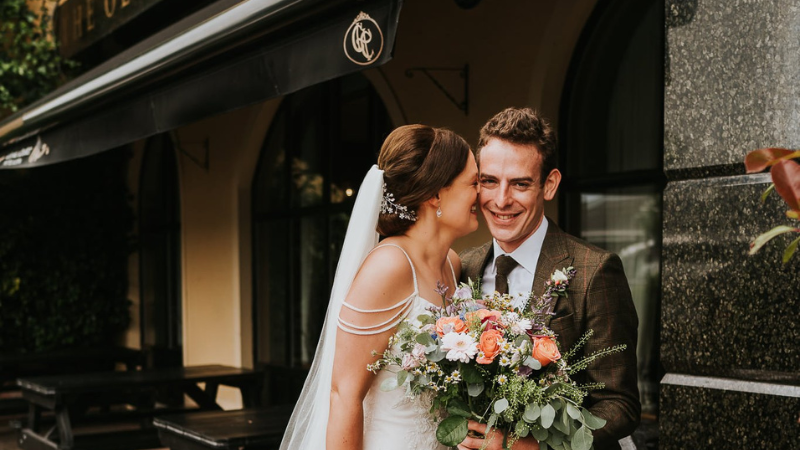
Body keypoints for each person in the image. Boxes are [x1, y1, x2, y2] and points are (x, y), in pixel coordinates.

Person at [279, 124, 480, 450]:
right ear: (436, 194)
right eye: (474, 182)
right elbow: (344, 393)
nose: (481, 193)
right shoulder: (390, 266)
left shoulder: (452, 264)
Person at [458, 108, 640, 450]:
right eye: (489, 181)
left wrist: (534, 446)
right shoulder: (460, 266)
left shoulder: (595, 270)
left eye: (520, 184)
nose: (501, 200)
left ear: (550, 184)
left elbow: (620, 405)